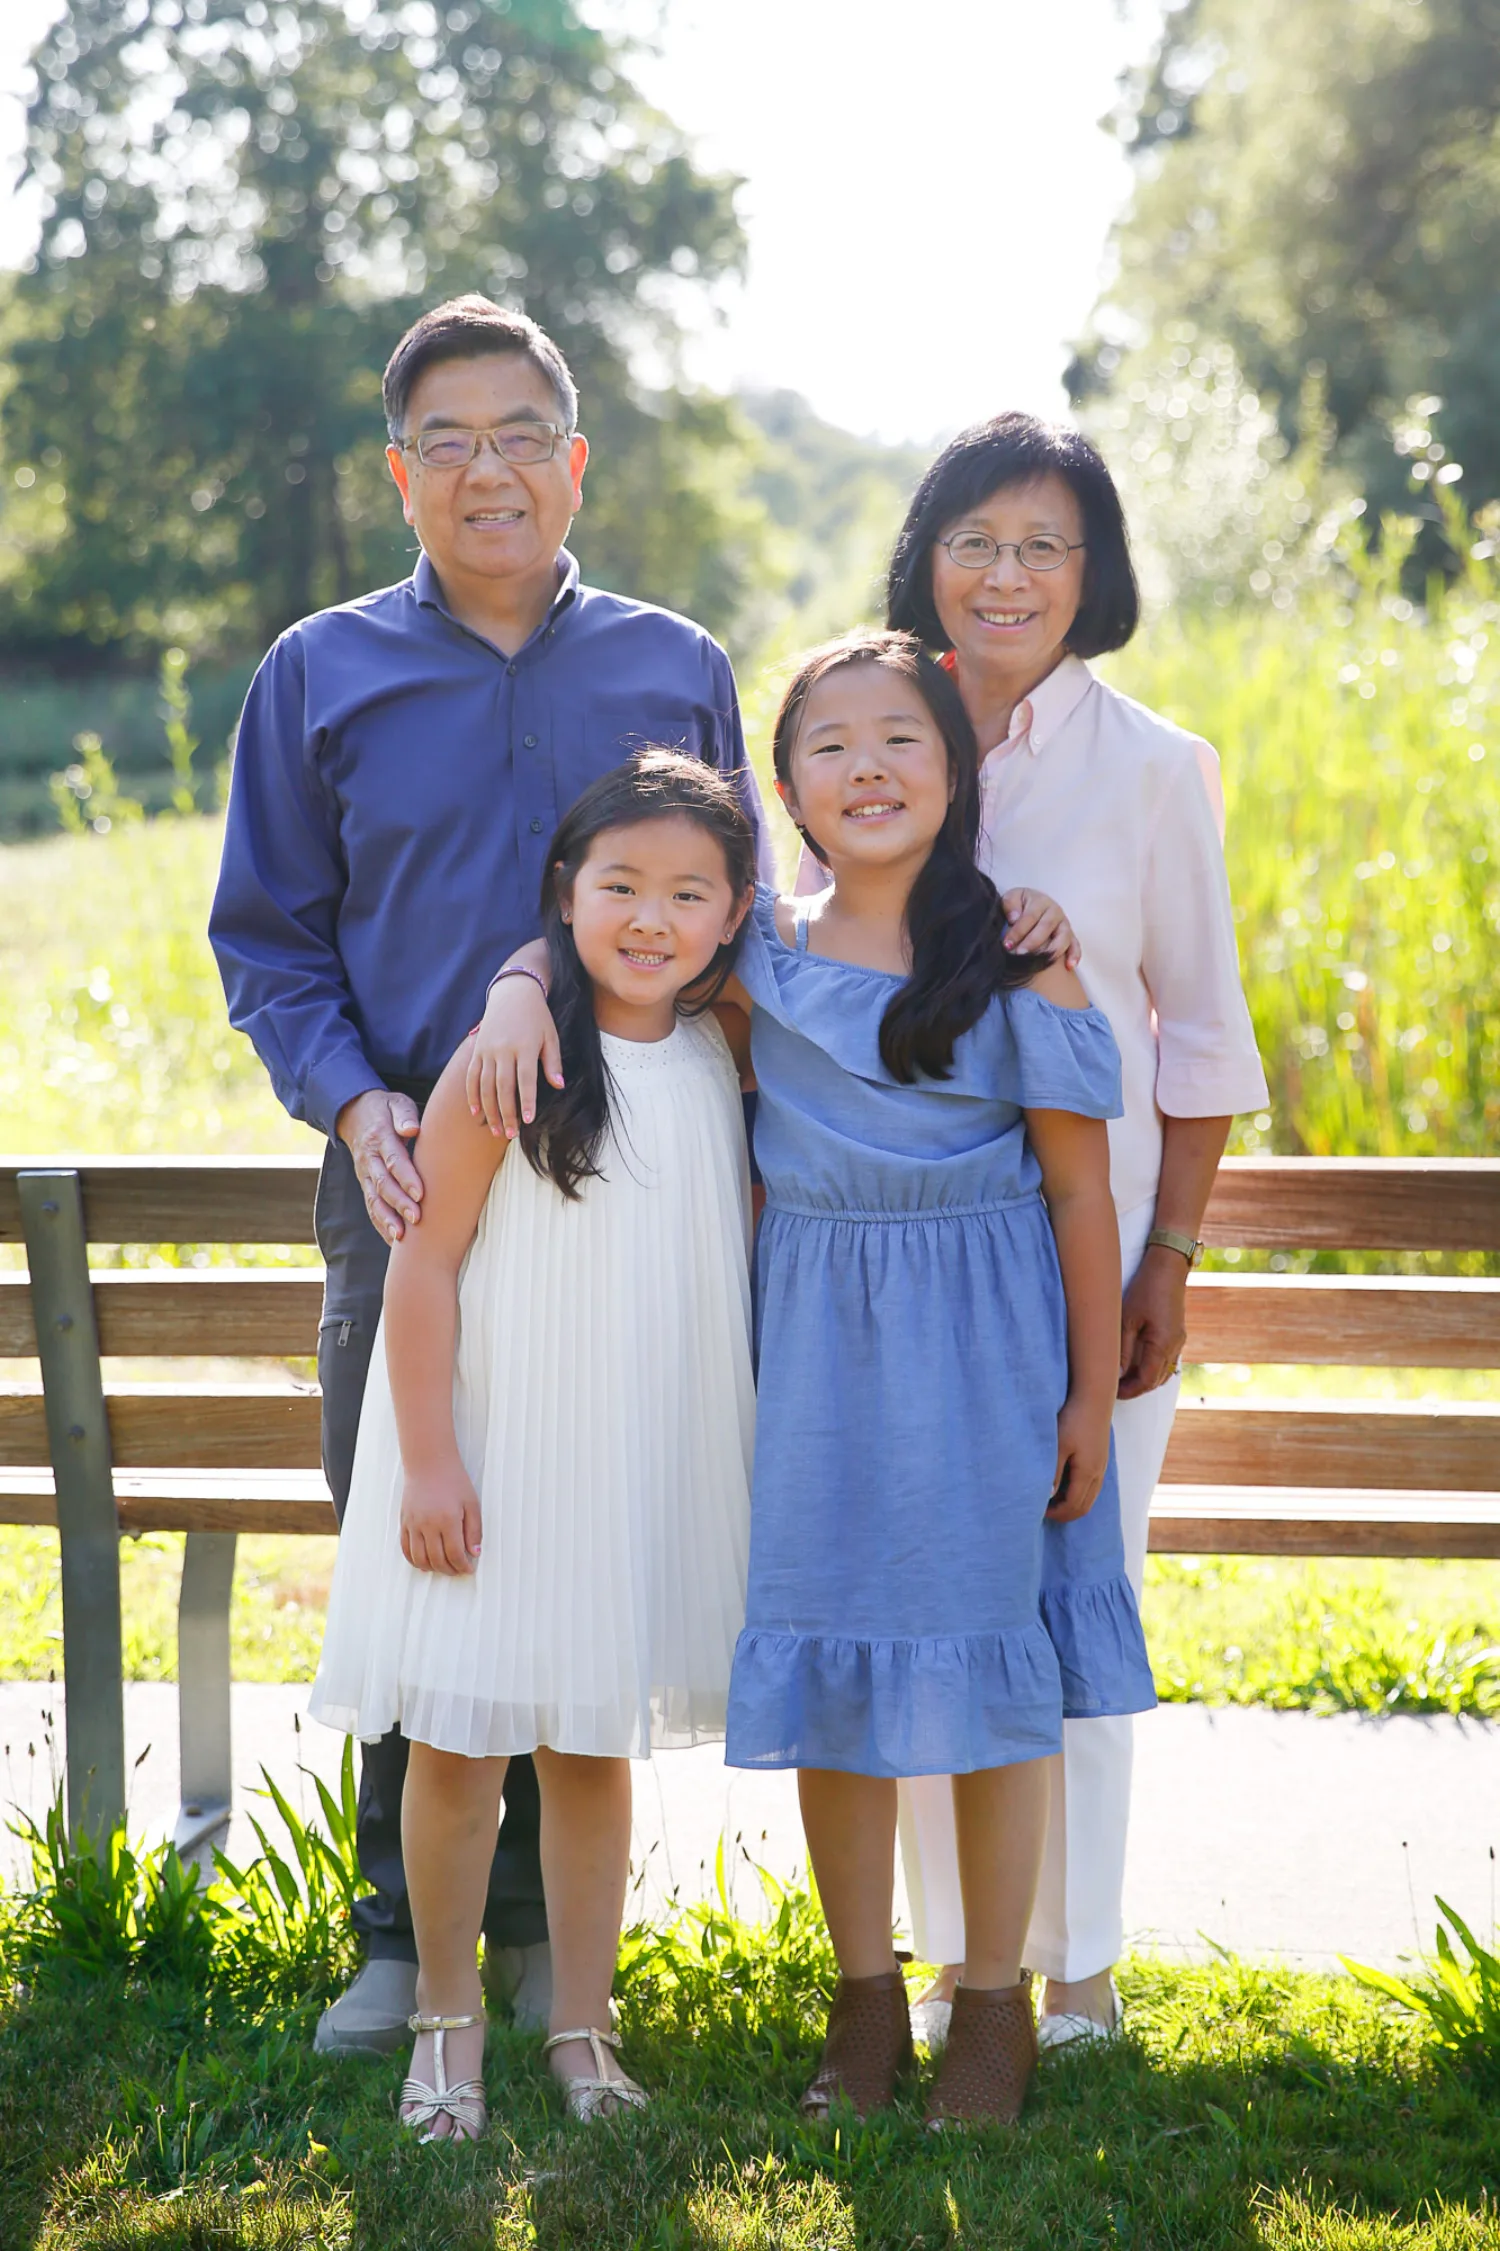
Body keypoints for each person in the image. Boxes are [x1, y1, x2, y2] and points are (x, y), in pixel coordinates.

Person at [209, 292, 767, 2057]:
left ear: (575, 458)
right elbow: (270, 939)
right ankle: (401, 1934)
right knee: (422, 1531)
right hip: (409, 1183)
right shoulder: (319, 670)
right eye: (445, 441)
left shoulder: (673, 662)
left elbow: (735, 912)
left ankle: (542, 1945)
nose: (488, 469)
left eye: (521, 433)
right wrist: (356, 1103)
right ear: (400, 475)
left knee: (585, 1526)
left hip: (633, 1185)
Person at [712, 630, 1155, 2128]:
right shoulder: (755, 950)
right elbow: (594, 946)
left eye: (900, 736)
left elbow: (1082, 1195)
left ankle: (991, 1997)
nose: (867, 766)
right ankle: (861, 1991)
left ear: (955, 770)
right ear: (784, 787)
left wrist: (1091, 1396)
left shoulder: (1018, 949)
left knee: (987, 1669)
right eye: (828, 744)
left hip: (988, 1350)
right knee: (830, 1649)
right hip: (821, 1348)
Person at [884, 413, 1269, 2050]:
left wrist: (1165, 1262)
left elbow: (1199, 1039)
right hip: (889, 1268)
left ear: (1095, 573)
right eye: (977, 538)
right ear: (927, 557)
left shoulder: (1154, 767)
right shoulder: (863, 734)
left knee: (1077, 1600)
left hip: (1078, 1267)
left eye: (1047, 545)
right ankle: (948, 1955)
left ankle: (1081, 1963)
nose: (1009, 574)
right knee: (916, 1607)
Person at [309, 753, 757, 2136]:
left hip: (619, 1448)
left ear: (734, 914)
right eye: (618, 884)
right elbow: (426, 1265)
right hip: (493, 1440)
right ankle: (446, 2024)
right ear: (563, 897)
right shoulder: (511, 1060)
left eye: (688, 892)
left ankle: (581, 2019)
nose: (649, 917)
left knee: (587, 1746)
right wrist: (433, 1460)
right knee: (454, 1737)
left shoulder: (720, 1049)